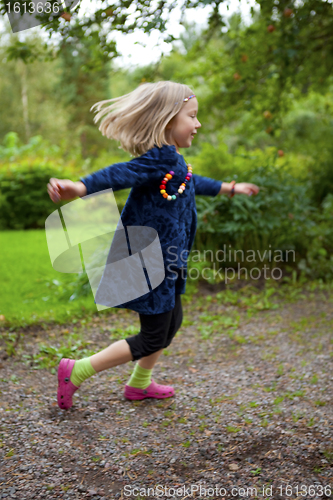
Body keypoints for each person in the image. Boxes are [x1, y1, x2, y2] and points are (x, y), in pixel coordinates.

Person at [47, 81, 259, 410]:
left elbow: (193, 181)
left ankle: (140, 384)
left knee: (171, 323)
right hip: (149, 260)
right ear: (168, 120)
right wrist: (80, 186)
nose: (198, 124)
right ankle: (76, 370)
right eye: (192, 116)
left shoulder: (172, 161)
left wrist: (230, 188)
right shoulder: (157, 160)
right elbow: (121, 173)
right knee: (153, 336)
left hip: (168, 260)